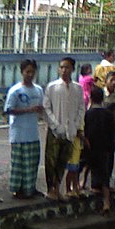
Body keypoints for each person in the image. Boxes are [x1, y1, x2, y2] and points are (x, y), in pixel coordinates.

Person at [43, 57, 85, 201]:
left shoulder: (78, 89)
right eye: (61, 67)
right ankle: (51, 189)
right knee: (51, 160)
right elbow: (46, 108)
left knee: (63, 161)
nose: (64, 70)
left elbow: (81, 108)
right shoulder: (52, 87)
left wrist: (76, 124)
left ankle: (57, 187)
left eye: (67, 67)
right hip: (55, 130)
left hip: (70, 131)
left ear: (73, 69)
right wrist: (55, 125)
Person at [5, 59, 44, 200]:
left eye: (32, 71)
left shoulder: (38, 90)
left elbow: (42, 108)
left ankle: (30, 188)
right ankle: (18, 189)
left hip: (33, 132)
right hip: (19, 133)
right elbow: (8, 110)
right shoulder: (15, 91)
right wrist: (28, 110)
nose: (30, 74)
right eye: (27, 71)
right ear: (22, 72)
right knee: (19, 164)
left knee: (32, 163)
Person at [84, 86, 115, 215]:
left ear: (91, 98)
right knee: (104, 175)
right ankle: (106, 202)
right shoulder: (108, 114)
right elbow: (113, 131)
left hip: (91, 145)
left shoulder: (88, 114)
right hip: (105, 147)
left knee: (87, 165)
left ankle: (81, 186)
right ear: (102, 98)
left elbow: (85, 130)